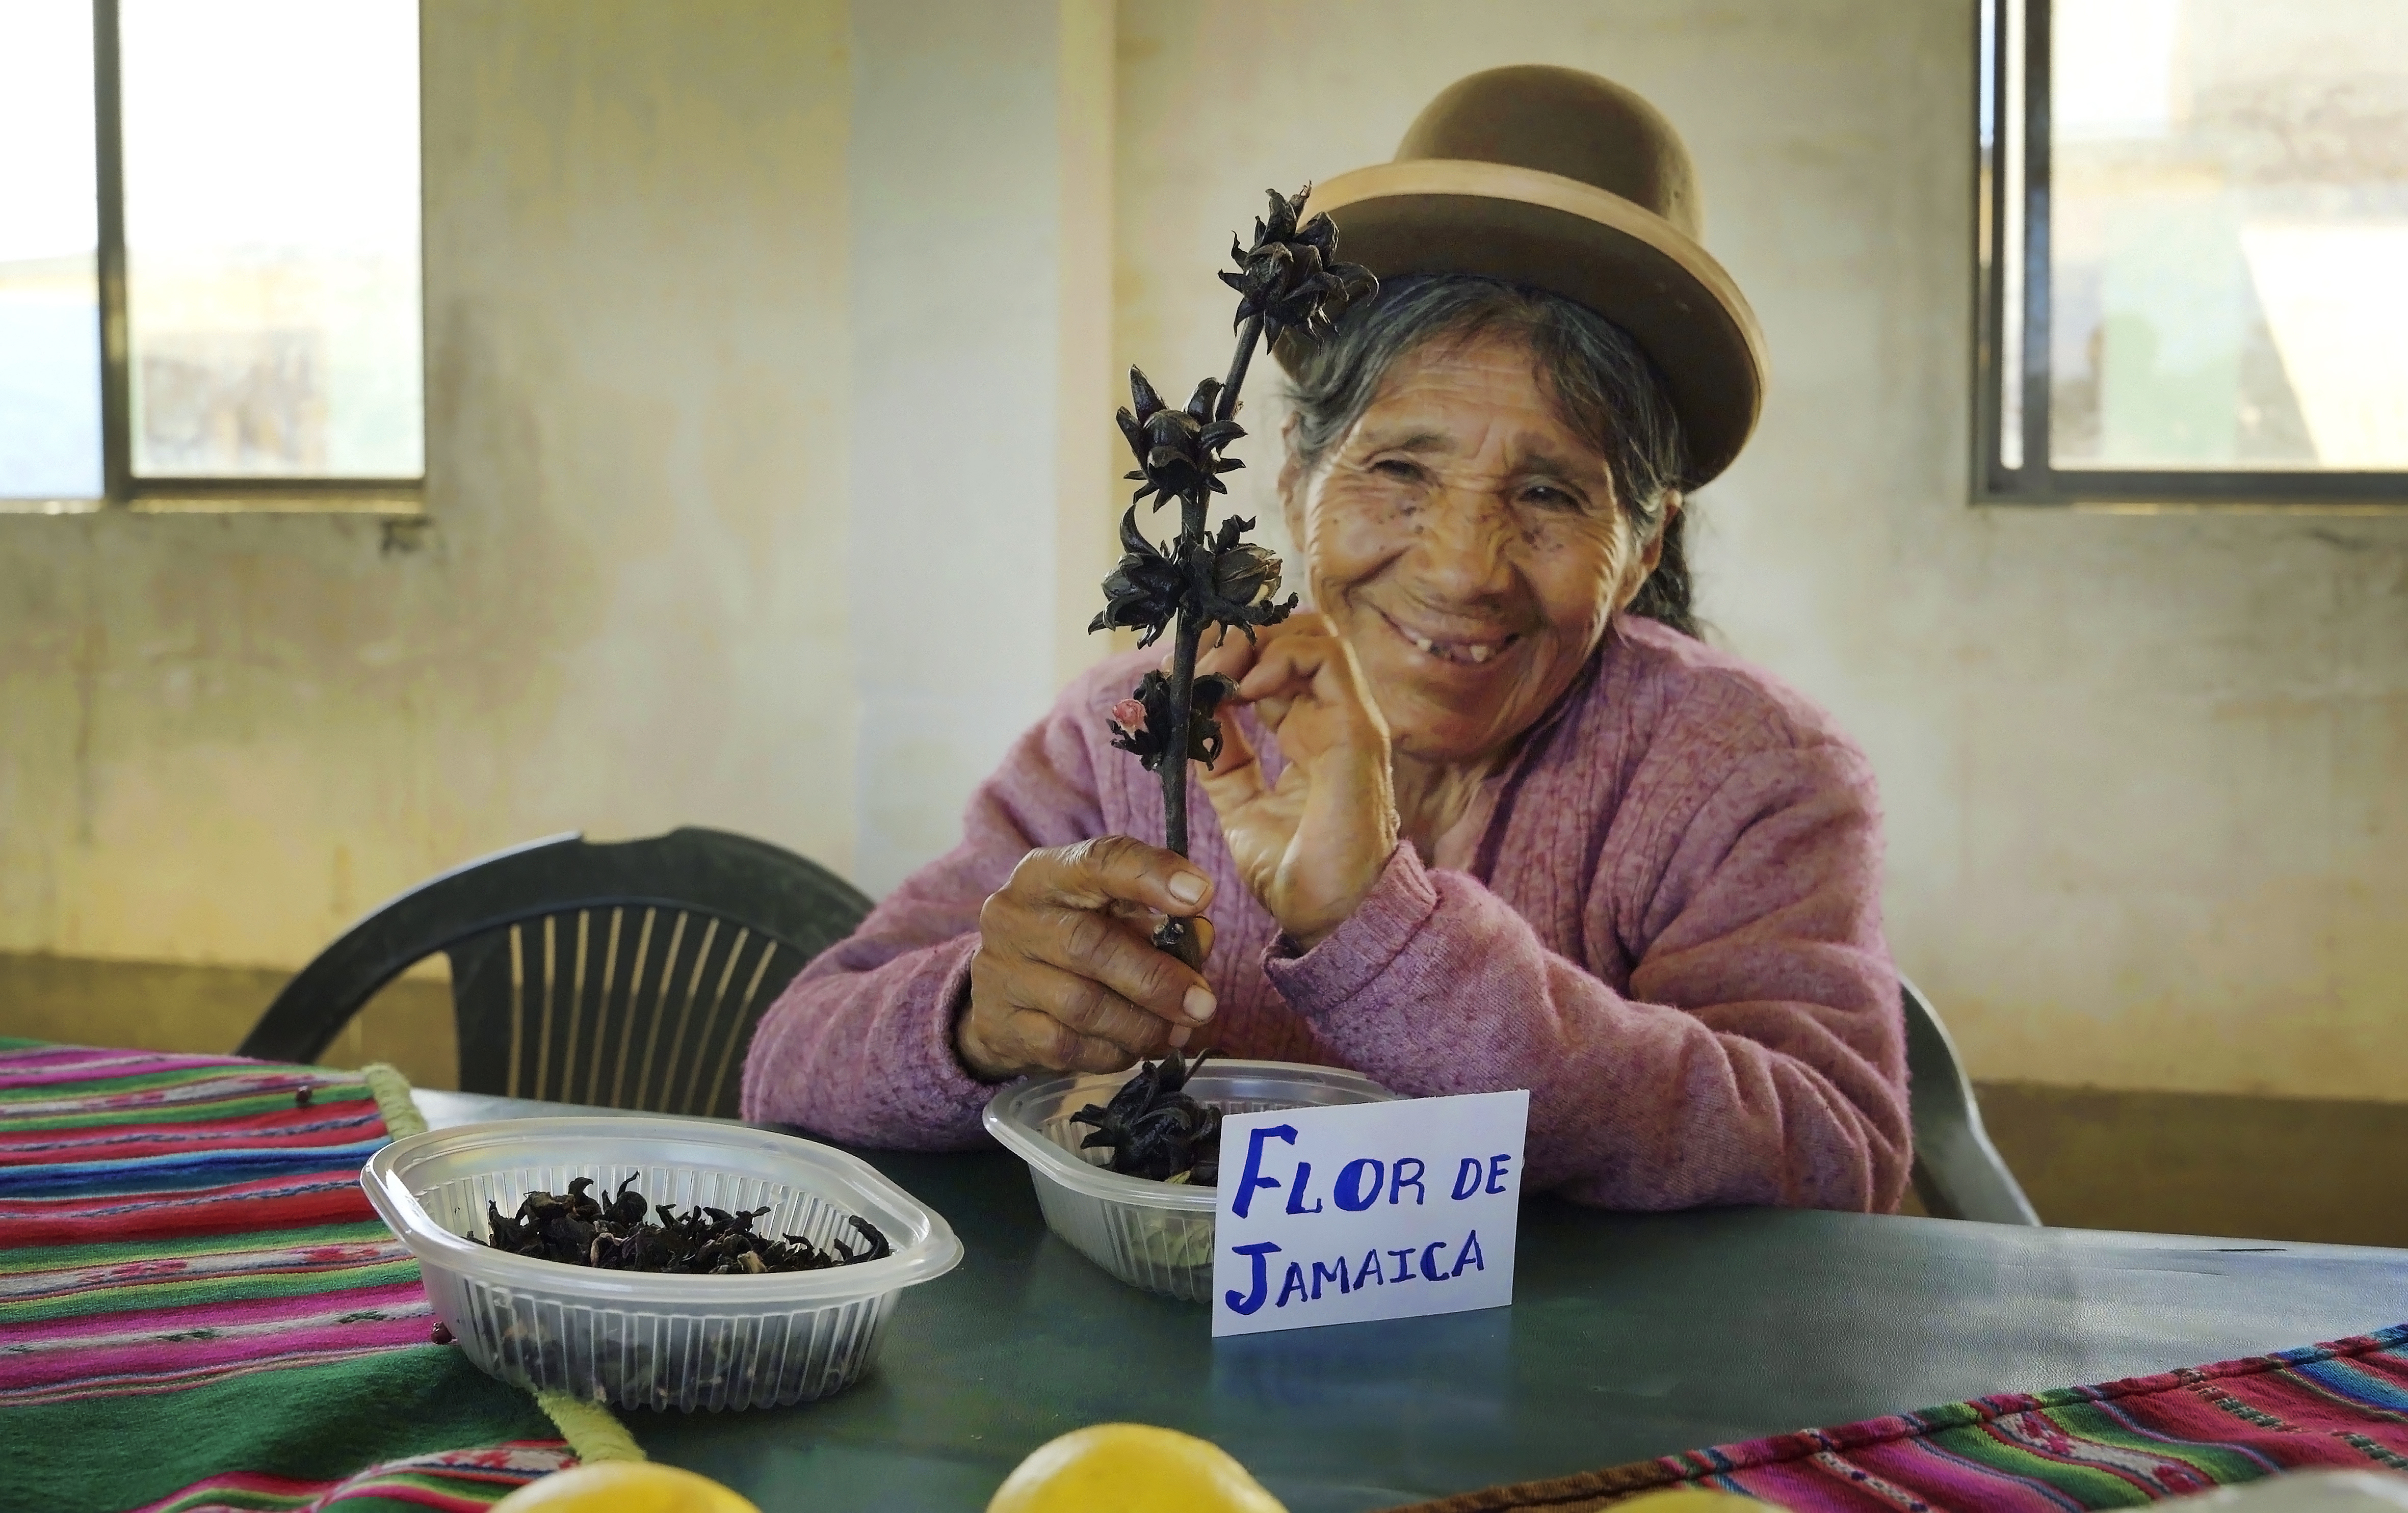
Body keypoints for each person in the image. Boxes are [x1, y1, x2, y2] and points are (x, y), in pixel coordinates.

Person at [744, 65, 1908, 1212]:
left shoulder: (1751, 772)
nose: (1462, 567)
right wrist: (974, 1016)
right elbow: (787, 1066)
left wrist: (1381, 928)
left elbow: (1831, 1153)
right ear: (1296, 480)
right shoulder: (1134, 733)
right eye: (1399, 469)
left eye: (1551, 496)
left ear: (1645, 543)